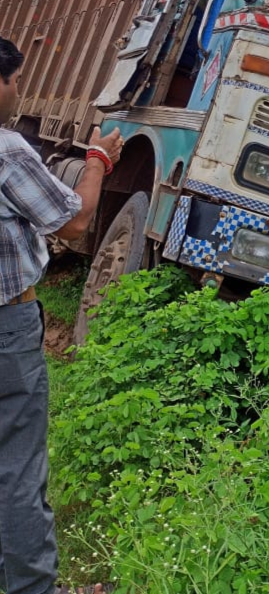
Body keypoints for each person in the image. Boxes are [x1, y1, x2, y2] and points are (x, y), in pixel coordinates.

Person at [0, 36, 122, 594]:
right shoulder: (7, 151)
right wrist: (97, 161)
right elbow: (73, 223)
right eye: (14, 80)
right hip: (6, 328)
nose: (18, 91)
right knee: (19, 468)